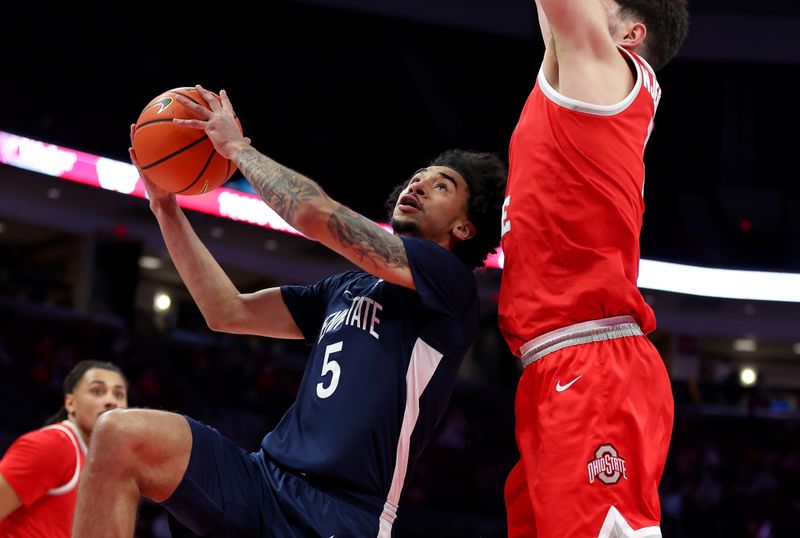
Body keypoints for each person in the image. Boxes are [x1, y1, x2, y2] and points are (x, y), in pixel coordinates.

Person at [72, 85, 507, 537]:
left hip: (342, 512)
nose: (418, 184)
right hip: (263, 478)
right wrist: (164, 207)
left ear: (464, 227)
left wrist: (238, 149)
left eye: (441, 185)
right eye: (418, 177)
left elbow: (313, 213)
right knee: (119, 435)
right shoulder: (345, 288)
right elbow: (227, 311)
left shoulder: (450, 284)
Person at [498, 1, 689, 536]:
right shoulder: (579, 81)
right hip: (556, 362)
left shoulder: (603, 72)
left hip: (594, 362)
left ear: (631, 33)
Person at [0, 359, 128, 537]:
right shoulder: (53, 445)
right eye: (98, 391)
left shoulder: (100, 464)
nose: (111, 401)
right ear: (70, 403)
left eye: (119, 394)